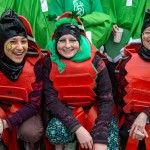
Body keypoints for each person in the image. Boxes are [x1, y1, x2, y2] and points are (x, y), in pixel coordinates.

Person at [43, 12, 118, 150]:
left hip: (95, 111)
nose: (67, 45)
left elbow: (106, 99)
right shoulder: (49, 63)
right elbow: (51, 101)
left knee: (107, 146)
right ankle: (73, 141)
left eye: (72, 40)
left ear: (79, 40)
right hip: (67, 113)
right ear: (56, 41)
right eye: (62, 40)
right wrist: (77, 128)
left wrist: (100, 136)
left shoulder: (96, 61)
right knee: (54, 133)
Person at [0, 9, 44, 150]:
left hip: (25, 111)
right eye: (12, 42)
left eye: (23, 42)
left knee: (31, 131)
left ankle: (30, 145)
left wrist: (7, 123)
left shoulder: (35, 66)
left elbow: (35, 104)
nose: (19, 48)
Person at [116, 9, 150, 149]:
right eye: (148, 32)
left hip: (145, 116)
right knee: (129, 133)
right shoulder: (127, 62)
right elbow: (121, 97)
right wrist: (135, 122)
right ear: (141, 36)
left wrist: (145, 115)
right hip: (132, 117)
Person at [48, 0, 112, 49]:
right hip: (67, 40)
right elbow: (59, 20)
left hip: (89, 38)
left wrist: (79, 21)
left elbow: (99, 18)